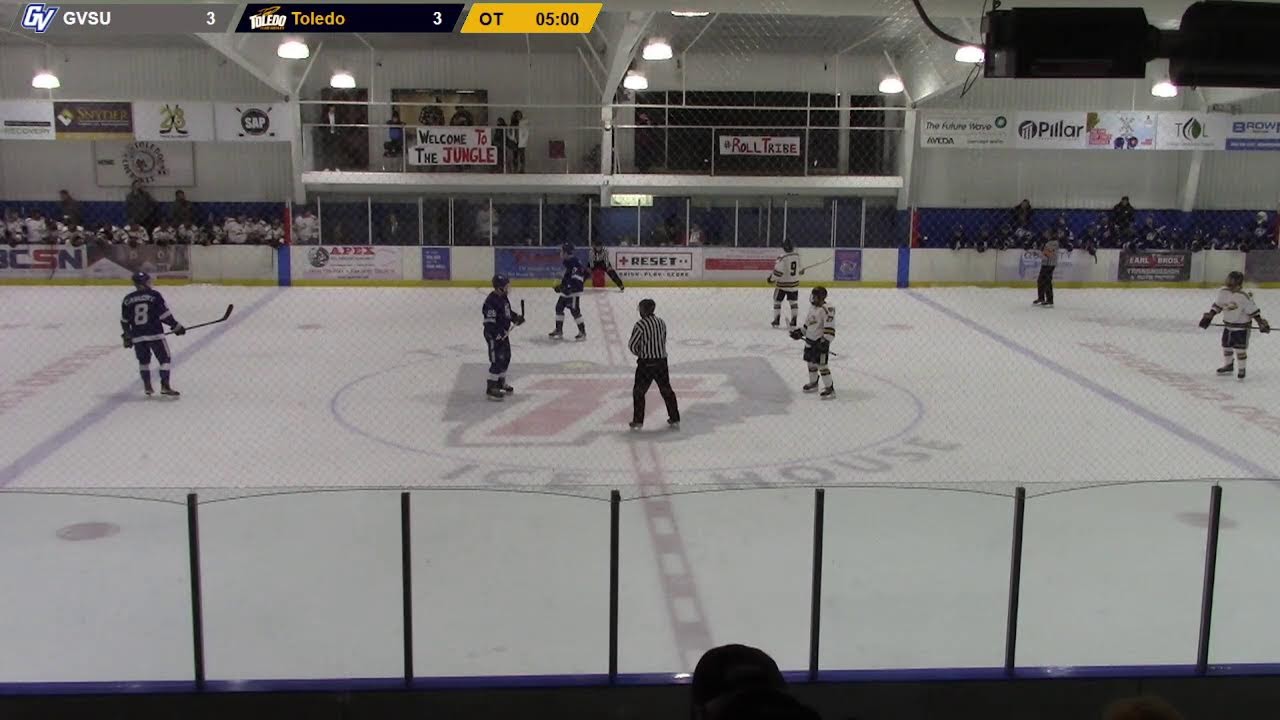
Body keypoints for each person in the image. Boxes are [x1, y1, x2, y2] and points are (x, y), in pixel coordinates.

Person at [121, 271, 185, 397]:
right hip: (155, 333)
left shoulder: (128, 299)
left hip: (138, 335)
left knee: (143, 362)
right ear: (144, 282)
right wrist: (176, 326)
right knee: (164, 359)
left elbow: (124, 321)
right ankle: (165, 386)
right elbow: (164, 315)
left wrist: (127, 335)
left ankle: (147, 386)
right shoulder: (154, 295)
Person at [1200, 270, 1270, 379]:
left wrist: (1260, 322)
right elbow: (1218, 306)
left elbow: (1253, 311)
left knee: (1240, 349)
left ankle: (1242, 369)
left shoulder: (1244, 296)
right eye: (1229, 279)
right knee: (1226, 346)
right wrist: (1211, 315)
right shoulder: (1223, 292)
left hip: (1241, 328)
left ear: (1238, 282)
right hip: (1228, 326)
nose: (1229, 282)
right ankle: (1228, 365)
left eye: (1231, 280)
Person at [628, 298, 680, 430]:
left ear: (644, 310)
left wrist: (642, 352)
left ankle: (638, 421)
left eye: (640, 308)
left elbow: (632, 345)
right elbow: (663, 340)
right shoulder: (661, 322)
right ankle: (675, 418)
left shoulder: (640, 325)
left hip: (646, 364)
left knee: (639, 392)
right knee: (666, 390)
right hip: (661, 362)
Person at [482, 274, 524, 400]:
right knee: (497, 360)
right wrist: (497, 334)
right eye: (506, 286)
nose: (508, 288)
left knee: (506, 357)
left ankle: (501, 382)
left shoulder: (504, 298)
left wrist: (516, 317)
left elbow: (507, 313)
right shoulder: (490, 302)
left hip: (504, 335)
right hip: (493, 336)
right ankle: (491, 387)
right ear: (499, 288)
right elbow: (489, 323)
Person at [789, 286, 836, 399]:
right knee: (810, 363)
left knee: (822, 366)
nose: (813, 298)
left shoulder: (827, 309)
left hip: (820, 342)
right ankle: (814, 383)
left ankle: (830, 388)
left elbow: (830, 328)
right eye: (813, 296)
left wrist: (825, 341)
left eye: (815, 296)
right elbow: (808, 325)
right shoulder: (812, 308)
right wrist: (800, 332)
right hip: (810, 341)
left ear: (821, 297)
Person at [549, 243, 587, 340]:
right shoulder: (568, 262)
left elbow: (578, 278)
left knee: (575, 311)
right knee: (559, 308)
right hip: (567, 291)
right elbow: (568, 277)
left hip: (573, 292)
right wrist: (562, 287)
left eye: (561, 251)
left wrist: (569, 288)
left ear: (566, 252)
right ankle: (559, 330)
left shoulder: (574, 263)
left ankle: (582, 333)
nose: (560, 253)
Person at [767, 239, 802, 328]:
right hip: (794, 284)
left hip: (782, 285)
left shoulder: (782, 257)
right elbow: (800, 270)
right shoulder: (797, 256)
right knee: (793, 302)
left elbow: (778, 272)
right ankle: (794, 320)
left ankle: (776, 319)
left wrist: (771, 279)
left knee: (777, 301)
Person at [1034, 231, 1059, 307]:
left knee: (1047, 281)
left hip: (1050, 264)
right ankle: (1041, 298)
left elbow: (1048, 253)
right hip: (1045, 263)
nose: (1046, 235)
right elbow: (1045, 253)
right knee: (1041, 280)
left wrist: (1041, 251)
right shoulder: (1048, 242)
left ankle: (1050, 300)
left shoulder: (1054, 243)